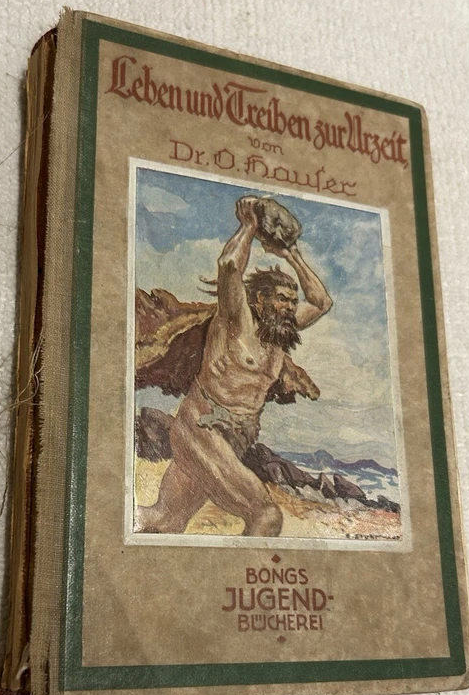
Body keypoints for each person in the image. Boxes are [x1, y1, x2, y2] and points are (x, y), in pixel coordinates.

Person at [136, 195, 332, 537]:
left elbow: (322, 301)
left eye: (292, 301)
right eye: (281, 299)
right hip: (202, 429)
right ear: (260, 299)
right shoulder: (236, 320)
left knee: (165, 520)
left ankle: (108, 513)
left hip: (234, 440)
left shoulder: (279, 332)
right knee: (266, 515)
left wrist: (291, 254)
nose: (289, 307)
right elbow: (229, 265)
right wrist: (248, 227)